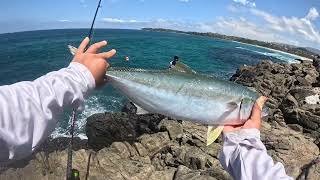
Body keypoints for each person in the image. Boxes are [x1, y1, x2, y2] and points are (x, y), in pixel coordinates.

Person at [0, 37, 292, 179]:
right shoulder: (240, 105)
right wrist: (243, 139)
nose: (261, 114)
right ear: (242, 104)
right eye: (257, 109)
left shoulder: (235, 110)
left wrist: (78, 76)